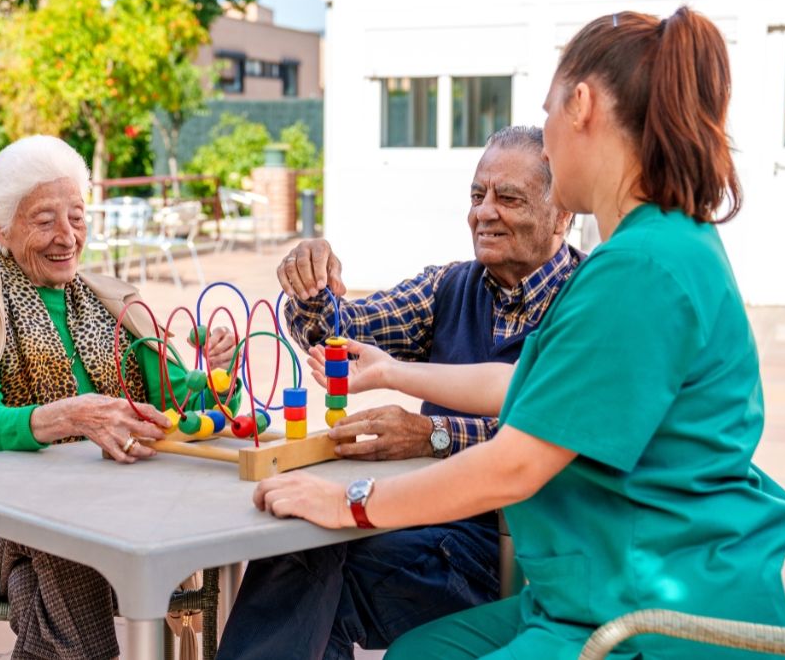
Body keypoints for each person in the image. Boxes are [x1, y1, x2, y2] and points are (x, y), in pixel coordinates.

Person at [252, 7, 785, 660]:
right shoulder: (653, 250)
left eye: (546, 115)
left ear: (583, 106)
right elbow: (526, 384)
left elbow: (514, 462)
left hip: (654, 619)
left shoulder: (639, 271)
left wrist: (353, 503)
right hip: (593, 593)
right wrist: (393, 370)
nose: (545, 136)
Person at [0, 135, 239, 660]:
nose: (67, 237)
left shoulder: (114, 306)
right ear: (1, 229)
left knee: (42, 587)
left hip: (118, 523)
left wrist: (220, 374)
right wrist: (67, 416)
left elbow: (186, 407)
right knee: (63, 540)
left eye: (78, 218)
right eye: (44, 220)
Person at [217, 126, 582, 660]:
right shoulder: (451, 285)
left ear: (562, 213)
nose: (484, 212)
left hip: (523, 556)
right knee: (299, 550)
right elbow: (341, 332)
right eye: (477, 196)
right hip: (426, 523)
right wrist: (314, 288)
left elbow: (549, 436)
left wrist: (432, 435)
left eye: (508, 198)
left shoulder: (586, 303)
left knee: (309, 574)